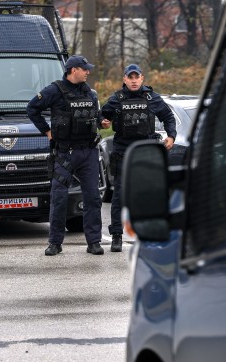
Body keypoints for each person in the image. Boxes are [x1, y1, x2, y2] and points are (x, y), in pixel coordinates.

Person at [27, 55, 104, 256]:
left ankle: (94, 242)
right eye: (84, 69)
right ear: (73, 70)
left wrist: (102, 122)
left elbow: (96, 116)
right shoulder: (55, 90)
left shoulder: (89, 92)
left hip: (88, 151)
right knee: (59, 198)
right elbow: (32, 108)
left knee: (93, 197)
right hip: (65, 153)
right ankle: (55, 243)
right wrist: (47, 131)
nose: (88, 72)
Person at [100, 64, 177, 252]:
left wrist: (171, 136)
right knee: (119, 195)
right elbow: (102, 116)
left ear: (142, 78)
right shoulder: (116, 99)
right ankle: (117, 235)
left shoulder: (152, 98)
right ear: (125, 79)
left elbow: (168, 117)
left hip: (146, 152)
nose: (134, 81)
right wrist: (102, 122)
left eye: (137, 77)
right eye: (130, 77)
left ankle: (151, 234)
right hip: (123, 152)